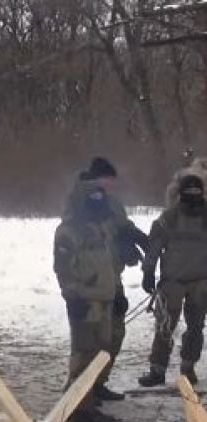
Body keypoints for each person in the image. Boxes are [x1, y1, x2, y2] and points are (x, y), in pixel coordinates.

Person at [74, 157, 149, 401]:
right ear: (96, 179)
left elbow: (120, 225)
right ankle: (82, 392)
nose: (111, 185)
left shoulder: (111, 202)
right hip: (92, 280)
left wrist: (135, 237)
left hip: (112, 275)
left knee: (115, 332)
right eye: (107, 180)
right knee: (94, 337)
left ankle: (98, 381)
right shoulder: (83, 201)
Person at [54, 179, 121, 422]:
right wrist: (72, 296)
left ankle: (85, 399)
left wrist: (118, 293)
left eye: (100, 197)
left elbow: (107, 264)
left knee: (101, 351)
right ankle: (79, 407)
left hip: (104, 299)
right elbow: (62, 269)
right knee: (84, 353)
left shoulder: (101, 228)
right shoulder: (67, 231)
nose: (98, 201)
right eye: (92, 197)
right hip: (84, 300)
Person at [137, 174, 207, 387]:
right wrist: (148, 271)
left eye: (197, 192)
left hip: (201, 281)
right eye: (189, 192)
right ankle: (157, 370)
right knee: (165, 327)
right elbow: (154, 247)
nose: (193, 195)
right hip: (172, 282)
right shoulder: (168, 218)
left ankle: (188, 367)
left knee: (196, 327)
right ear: (180, 194)